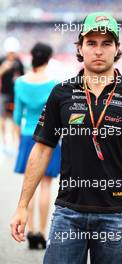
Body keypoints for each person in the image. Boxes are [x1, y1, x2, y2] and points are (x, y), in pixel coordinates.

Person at [10, 12, 122, 264]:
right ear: (80, 47)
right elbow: (42, 150)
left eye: (106, 43)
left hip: (117, 215)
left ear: (117, 49)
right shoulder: (61, 92)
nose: (98, 50)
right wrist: (23, 206)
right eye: (91, 43)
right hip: (68, 212)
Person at [13, 42, 61, 249]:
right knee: (46, 187)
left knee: (28, 186)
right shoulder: (54, 83)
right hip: (49, 137)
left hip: (26, 136)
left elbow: (16, 116)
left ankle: (29, 230)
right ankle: (41, 231)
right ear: (48, 58)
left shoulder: (20, 82)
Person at [0, 37, 24, 152]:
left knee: (16, 118)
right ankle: (4, 143)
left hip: (15, 94)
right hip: (3, 93)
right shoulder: (2, 60)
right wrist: (3, 68)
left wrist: (18, 78)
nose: (11, 55)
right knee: (2, 118)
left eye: (13, 53)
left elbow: (24, 77)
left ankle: (16, 143)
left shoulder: (18, 62)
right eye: (10, 53)